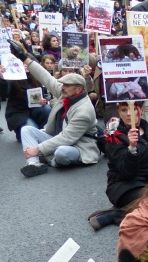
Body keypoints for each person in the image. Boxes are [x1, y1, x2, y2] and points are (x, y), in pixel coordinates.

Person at [9, 41, 99, 178]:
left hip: (80, 146)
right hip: (60, 136)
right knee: (26, 129)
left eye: (67, 85)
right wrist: (24, 56)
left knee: (62, 153)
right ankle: (34, 164)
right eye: (62, 84)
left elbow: (67, 138)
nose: (62, 87)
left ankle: (50, 159)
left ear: (78, 89)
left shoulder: (84, 110)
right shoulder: (66, 93)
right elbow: (45, 77)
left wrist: (37, 149)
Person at [92, 101, 148, 230]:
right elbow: (127, 173)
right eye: (124, 110)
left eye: (134, 109)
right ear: (119, 112)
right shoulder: (114, 137)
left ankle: (132, 208)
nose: (129, 114)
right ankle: (116, 215)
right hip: (125, 185)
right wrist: (132, 149)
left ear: (141, 111)